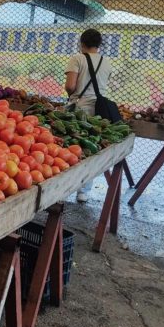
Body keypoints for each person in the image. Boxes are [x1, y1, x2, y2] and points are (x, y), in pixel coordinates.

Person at [64, 28, 113, 202]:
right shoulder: (107, 62)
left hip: (80, 107)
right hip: (99, 110)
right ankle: (83, 190)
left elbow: (70, 86)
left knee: (70, 143)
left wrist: (70, 91)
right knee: (90, 147)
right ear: (99, 44)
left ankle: (62, 186)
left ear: (82, 43)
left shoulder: (77, 58)